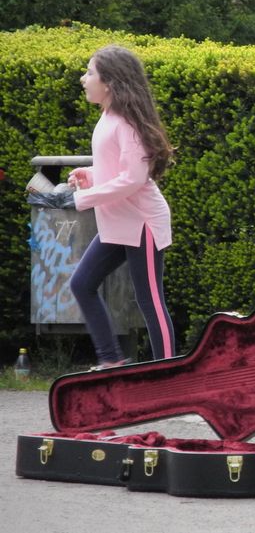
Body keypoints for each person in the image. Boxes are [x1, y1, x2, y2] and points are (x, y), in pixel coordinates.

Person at [69, 45, 176, 369]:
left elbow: (133, 179)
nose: (83, 79)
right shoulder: (109, 117)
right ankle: (111, 360)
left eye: (90, 73)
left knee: (150, 298)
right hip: (119, 224)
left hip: (141, 223)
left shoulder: (126, 123)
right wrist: (89, 175)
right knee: (82, 284)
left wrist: (84, 199)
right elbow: (116, 168)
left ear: (110, 83)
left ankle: (170, 373)